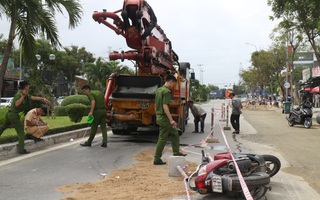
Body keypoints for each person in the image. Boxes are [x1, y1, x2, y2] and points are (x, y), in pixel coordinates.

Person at [0, 81, 50, 154]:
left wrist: (42, 98)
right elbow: (17, 104)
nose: (29, 87)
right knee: (21, 132)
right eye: (28, 86)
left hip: (10, 114)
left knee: (3, 127)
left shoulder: (25, 94)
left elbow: (33, 97)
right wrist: (22, 97)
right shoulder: (19, 94)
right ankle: (21, 150)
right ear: (26, 86)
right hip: (13, 114)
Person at [153, 74, 186, 165]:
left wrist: (156, 117)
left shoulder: (159, 90)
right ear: (171, 82)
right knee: (162, 138)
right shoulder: (166, 92)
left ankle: (176, 153)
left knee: (175, 133)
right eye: (173, 84)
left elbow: (155, 105)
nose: (173, 86)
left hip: (160, 116)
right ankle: (157, 159)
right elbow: (165, 106)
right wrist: (171, 120)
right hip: (164, 118)